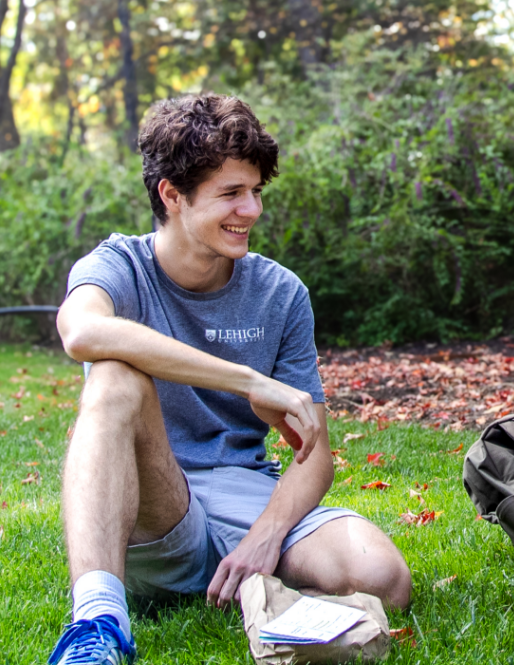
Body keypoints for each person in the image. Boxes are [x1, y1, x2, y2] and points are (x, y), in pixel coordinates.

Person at [47, 93, 412, 664]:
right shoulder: (117, 266)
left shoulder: (280, 292)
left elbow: (313, 450)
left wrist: (266, 535)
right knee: (116, 377)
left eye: (256, 192)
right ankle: (97, 622)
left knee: (382, 576)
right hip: (153, 499)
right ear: (172, 195)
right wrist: (248, 381)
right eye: (231, 194)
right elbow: (83, 333)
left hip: (246, 493)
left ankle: (254, 586)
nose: (252, 210)